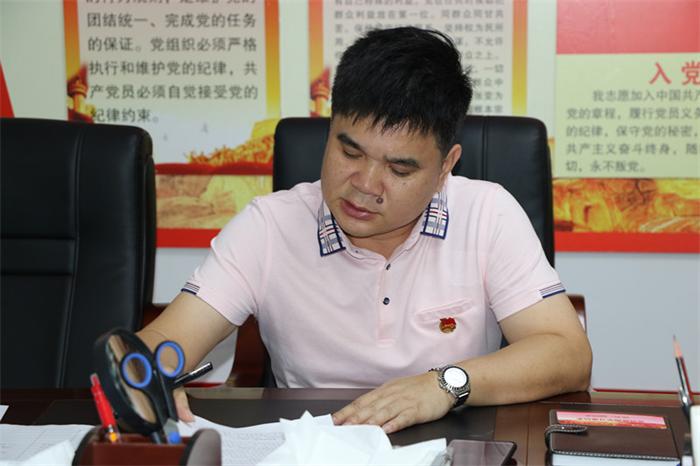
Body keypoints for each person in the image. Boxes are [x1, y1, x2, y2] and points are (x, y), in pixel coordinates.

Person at [138, 27, 591, 434]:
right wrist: (144, 374)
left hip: (453, 442)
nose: (365, 185)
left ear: (445, 167)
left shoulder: (487, 214)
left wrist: (444, 384)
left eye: (399, 169)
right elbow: (160, 343)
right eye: (350, 153)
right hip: (313, 447)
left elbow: (567, 353)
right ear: (330, 130)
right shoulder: (269, 227)